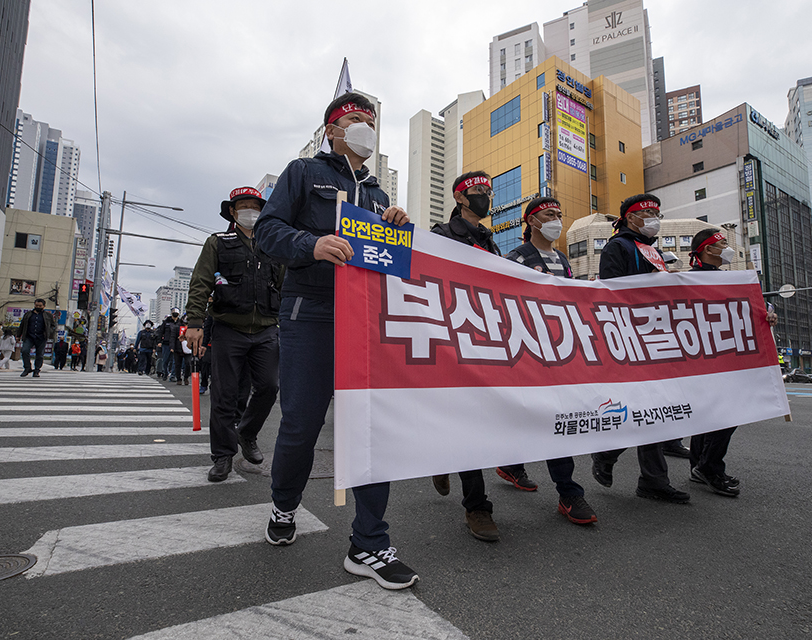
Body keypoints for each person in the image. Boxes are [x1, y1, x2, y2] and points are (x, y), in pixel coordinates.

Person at [255, 92, 418, 590]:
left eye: (371, 119)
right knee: (301, 425)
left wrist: (400, 230)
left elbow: (392, 265)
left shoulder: (379, 196)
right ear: (333, 130)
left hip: (366, 321)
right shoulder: (304, 173)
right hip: (310, 313)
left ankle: (369, 542)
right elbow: (267, 231)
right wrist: (312, 244)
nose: (366, 125)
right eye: (356, 118)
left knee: (371, 427)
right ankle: (284, 505)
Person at [494, 196, 598, 525]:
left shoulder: (563, 259)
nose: (556, 220)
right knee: (538, 415)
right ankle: (568, 492)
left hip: (559, 350)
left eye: (558, 214)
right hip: (528, 349)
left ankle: (523, 468)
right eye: (549, 214)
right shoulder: (517, 257)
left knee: (554, 417)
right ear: (532, 221)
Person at [591, 194, 691, 504]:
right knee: (642, 408)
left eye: (657, 212)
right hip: (631, 337)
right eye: (647, 212)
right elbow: (610, 291)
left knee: (653, 409)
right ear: (631, 217)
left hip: (655, 336)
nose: (653, 218)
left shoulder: (652, 250)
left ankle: (648, 477)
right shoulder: (618, 247)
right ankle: (614, 457)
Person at [185, 186, 283, 482]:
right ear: (232, 211)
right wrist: (194, 323)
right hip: (229, 328)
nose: (250, 211)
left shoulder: (272, 244)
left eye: (255, 206)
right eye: (244, 206)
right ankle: (222, 456)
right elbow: (200, 282)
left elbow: (284, 284)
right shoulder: (218, 243)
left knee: (269, 387)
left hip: (266, 328)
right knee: (224, 395)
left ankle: (247, 433)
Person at [429, 170, 502, 542]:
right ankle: (477, 506)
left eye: (489, 190)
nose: (485, 195)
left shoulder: (490, 242)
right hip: (454, 338)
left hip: (488, 340)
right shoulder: (441, 235)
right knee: (468, 420)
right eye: (477, 190)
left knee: (483, 418)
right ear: (459, 197)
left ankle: (444, 455)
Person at [685, 229, 777, 497]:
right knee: (728, 412)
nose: (727, 248)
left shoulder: (729, 279)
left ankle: (699, 465)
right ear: (708, 249)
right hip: (704, 359)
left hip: (724, 357)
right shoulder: (687, 280)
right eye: (723, 243)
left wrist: (766, 316)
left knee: (709, 415)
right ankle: (709, 467)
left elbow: (745, 312)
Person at [16, 298, 56, 377]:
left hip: (41, 337)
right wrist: (18, 335)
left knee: (40, 355)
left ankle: (37, 370)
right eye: (36, 305)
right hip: (29, 336)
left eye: (40, 306)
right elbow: (22, 325)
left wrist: (49, 331)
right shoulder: (28, 314)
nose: (38, 307)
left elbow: (53, 326)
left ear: (44, 306)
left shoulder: (48, 315)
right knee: (24, 351)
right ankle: (27, 368)